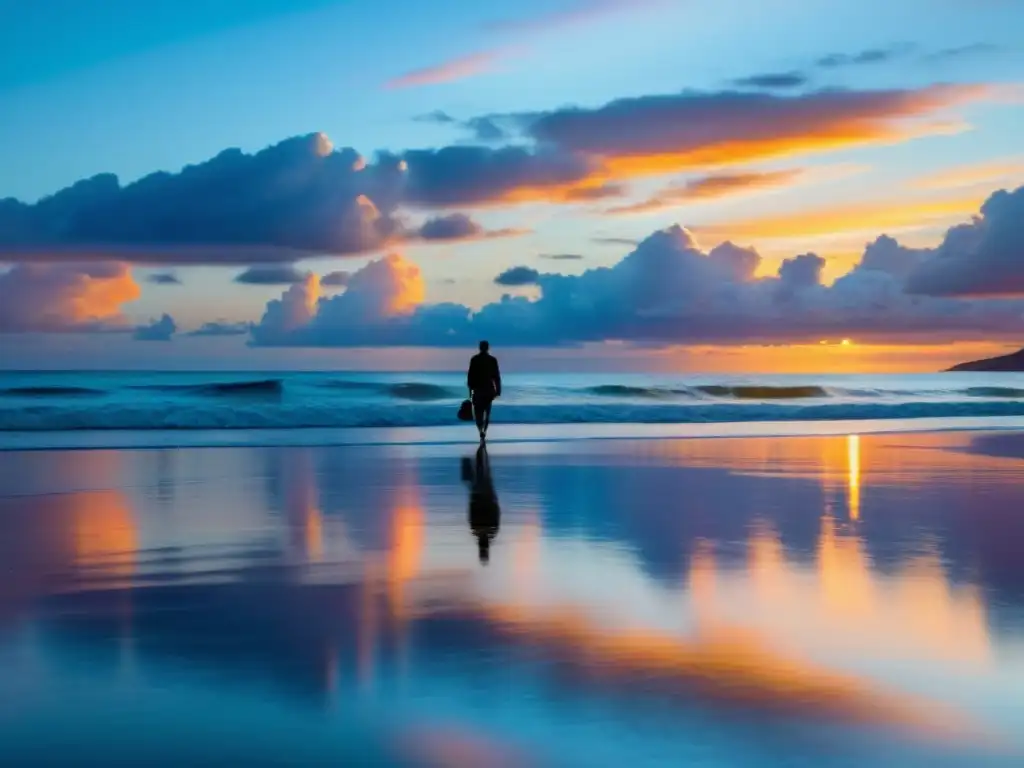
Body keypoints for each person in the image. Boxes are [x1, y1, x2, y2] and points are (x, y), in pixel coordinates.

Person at [463, 445, 500, 564]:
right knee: (483, 471)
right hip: (483, 495)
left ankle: (482, 447)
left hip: (482, 495)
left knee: (483, 471)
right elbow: (495, 513)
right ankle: (482, 447)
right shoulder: (484, 531)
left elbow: (495, 513)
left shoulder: (484, 531)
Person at [466, 340, 501, 441]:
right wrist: (498, 390)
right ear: (488, 348)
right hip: (489, 390)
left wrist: (469, 391)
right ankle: (484, 431)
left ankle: (480, 431)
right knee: (487, 412)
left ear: (480, 348)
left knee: (478, 413)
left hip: (478, 390)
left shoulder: (475, 359)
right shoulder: (492, 360)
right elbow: (496, 376)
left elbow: (470, 376)